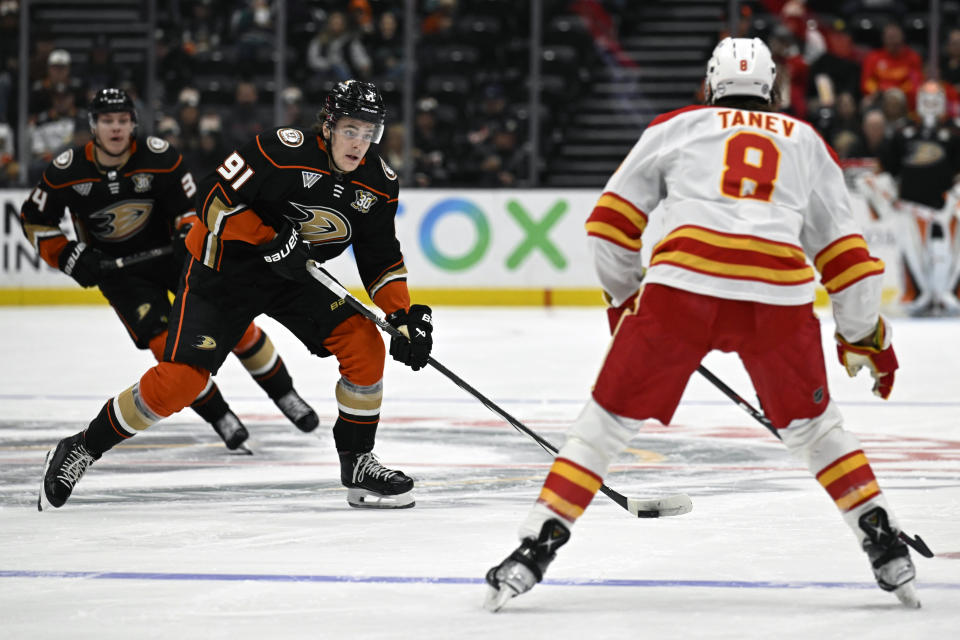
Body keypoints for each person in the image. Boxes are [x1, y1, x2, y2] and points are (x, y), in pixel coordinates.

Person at [485, 38, 924, 611]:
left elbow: (610, 226)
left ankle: (534, 547)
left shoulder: (677, 126)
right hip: (777, 295)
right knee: (816, 431)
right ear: (774, 87)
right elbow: (845, 257)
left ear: (710, 82)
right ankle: (884, 538)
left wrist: (625, 302)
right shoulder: (806, 141)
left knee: (605, 426)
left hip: (682, 289)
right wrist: (864, 335)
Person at [37, 80, 433, 512]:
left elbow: (381, 260)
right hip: (221, 270)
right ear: (329, 124)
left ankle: (357, 461)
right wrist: (268, 239)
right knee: (182, 383)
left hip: (294, 276)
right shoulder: (280, 149)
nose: (359, 143)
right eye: (351, 129)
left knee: (364, 342)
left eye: (369, 132)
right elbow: (211, 197)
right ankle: (81, 447)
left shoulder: (379, 183)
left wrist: (403, 314)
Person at [21, 88, 319, 458]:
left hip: (176, 259)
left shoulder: (160, 158)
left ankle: (285, 394)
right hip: (121, 277)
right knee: (169, 350)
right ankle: (221, 417)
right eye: (107, 121)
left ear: (134, 123)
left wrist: (184, 230)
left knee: (237, 327)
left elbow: (193, 207)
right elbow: (34, 220)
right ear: (93, 125)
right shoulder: (66, 170)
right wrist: (69, 255)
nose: (116, 128)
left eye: (123, 120)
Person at [859, 80, 960, 316]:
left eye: (936, 101)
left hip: (946, 206)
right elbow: (885, 167)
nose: (931, 105)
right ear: (918, 101)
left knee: (952, 254)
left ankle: (952, 294)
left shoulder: (954, 131)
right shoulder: (903, 132)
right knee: (911, 255)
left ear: (944, 102)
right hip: (910, 207)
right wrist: (880, 188)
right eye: (927, 100)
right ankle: (915, 294)